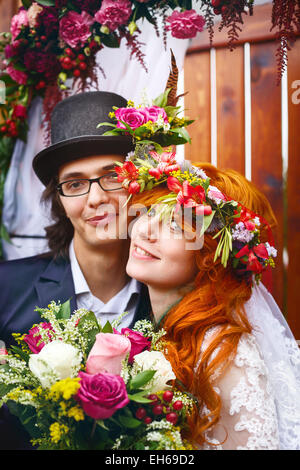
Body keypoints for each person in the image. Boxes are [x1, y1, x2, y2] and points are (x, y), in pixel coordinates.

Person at [118, 150, 300, 450]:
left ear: (212, 256)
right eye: (149, 212)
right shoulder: (158, 325)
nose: (145, 231)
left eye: (175, 226)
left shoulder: (224, 356)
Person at [0, 91, 151, 449]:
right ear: (60, 200)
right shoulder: (5, 288)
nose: (96, 198)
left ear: (138, 182)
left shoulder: (169, 296)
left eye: (112, 175)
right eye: (75, 184)